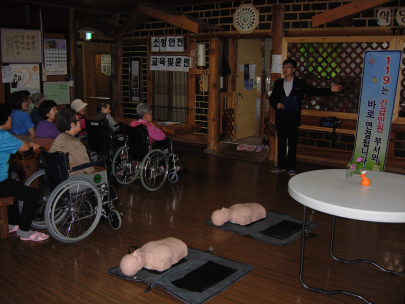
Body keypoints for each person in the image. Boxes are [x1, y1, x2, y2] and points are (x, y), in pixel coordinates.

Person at [269, 58, 342, 176]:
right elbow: (272, 98)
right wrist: (276, 104)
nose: (285, 69)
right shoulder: (278, 83)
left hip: (293, 118)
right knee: (281, 143)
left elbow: (314, 91)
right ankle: (281, 165)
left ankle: (291, 167)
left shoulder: (300, 83)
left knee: (292, 143)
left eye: (287, 67)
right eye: (284, 67)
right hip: (281, 118)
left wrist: (330, 90)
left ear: (293, 69)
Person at [0, 104, 49, 242]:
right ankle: (24, 230)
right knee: (32, 195)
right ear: (4, 119)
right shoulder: (3, 136)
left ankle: (11, 224)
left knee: (15, 188)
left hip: (3, 181)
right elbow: (25, 146)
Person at [49, 108, 96, 177]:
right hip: (74, 179)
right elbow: (88, 169)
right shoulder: (76, 143)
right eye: (78, 120)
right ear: (73, 124)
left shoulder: (59, 137)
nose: (80, 122)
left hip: (58, 177)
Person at [120, 237, 188, 277]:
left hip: (170, 239)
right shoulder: (159, 263)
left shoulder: (142, 249)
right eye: (136, 257)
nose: (135, 252)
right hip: (181, 247)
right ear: (140, 267)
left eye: (131, 254)